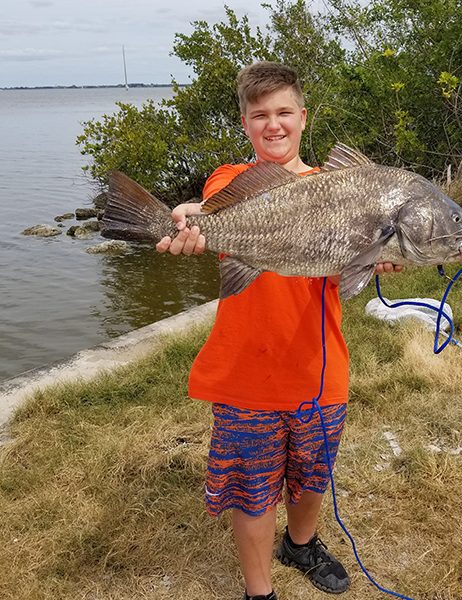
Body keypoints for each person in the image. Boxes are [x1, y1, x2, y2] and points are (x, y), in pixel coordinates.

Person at [156, 61, 402, 600]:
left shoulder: (345, 191)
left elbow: (343, 276)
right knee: (251, 488)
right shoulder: (231, 181)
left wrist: (377, 256)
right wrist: (190, 216)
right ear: (245, 124)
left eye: (284, 112)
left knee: (312, 473)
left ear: (303, 118)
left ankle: (301, 542)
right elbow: (217, 203)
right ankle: (259, 589)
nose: (273, 124)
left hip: (319, 369)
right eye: (260, 114)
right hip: (247, 373)